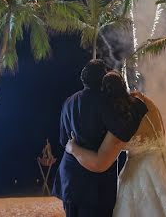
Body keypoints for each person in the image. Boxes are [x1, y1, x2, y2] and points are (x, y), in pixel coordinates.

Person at [66, 71, 166, 217]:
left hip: (142, 171)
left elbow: (100, 162)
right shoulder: (145, 102)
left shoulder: (123, 120)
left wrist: (73, 148)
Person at [53, 60, 147, 217]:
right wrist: (138, 106)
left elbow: (64, 140)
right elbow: (123, 131)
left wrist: (74, 147)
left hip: (69, 177)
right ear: (102, 78)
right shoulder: (105, 101)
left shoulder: (69, 101)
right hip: (95, 186)